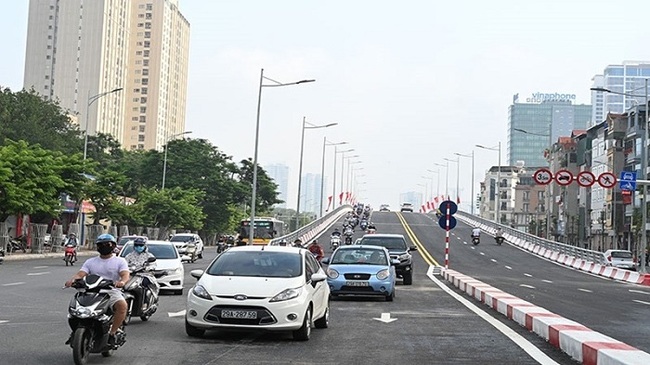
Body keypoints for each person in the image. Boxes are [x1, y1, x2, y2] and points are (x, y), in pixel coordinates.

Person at [64, 233, 129, 348]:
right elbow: (81, 273)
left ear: (113, 246)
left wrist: (122, 282)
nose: (104, 246)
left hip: (110, 291)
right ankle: (74, 332)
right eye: (101, 244)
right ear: (97, 246)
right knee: (74, 310)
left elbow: (125, 275)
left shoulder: (120, 261)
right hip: (90, 291)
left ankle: (112, 333)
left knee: (122, 306)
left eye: (107, 244)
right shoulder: (90, 262)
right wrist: (72, 280)